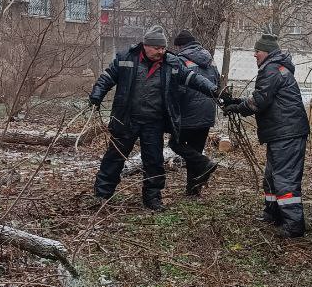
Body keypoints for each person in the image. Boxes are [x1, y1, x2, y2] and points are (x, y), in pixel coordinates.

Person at [88, 24, 218, 211]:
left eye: (163, 48)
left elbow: (192, 78)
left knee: (154, 161)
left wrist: (213, 90)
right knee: (114, 157)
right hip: (126, 119)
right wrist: (96, 95)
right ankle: (102, 195)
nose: (161, 51)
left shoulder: (172, 63)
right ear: (146, 46)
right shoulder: (126, 58)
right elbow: (107, 77)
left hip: (154, 122)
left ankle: (153, 199)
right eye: (157, 48)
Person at [222, 34, 309, 238]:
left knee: (284, 179)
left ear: (267, 52)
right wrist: (237, 101)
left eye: (257, 51)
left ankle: (294, 225)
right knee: (271, 176)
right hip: (283, 133)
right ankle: (272, 213)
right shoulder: (276, 67)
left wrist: (238, 107)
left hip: (287, 133)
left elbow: (260, 101)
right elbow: (262, 96)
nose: (254, 55)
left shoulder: (271, 69)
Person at [170, 29, 220, 195]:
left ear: (181, 45)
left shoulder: (180, 60)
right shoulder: (209, 59)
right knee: (195, 150)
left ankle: (206, 163)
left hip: (189, 111)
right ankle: (193, 190)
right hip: (207, 111)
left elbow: (178, 88)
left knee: (175, 144)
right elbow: (217, 82)